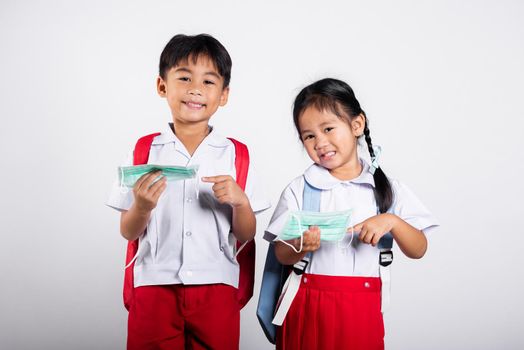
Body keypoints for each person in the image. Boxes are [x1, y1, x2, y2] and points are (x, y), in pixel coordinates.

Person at [107, 33, 270, 350]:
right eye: (184, 77)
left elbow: (246, 234)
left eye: (209, 82)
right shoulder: (143, 151)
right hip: (155, 284)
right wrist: (141, 206)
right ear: (162, 86)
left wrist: (240, 202)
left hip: (217, 286)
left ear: (224, 95)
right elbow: (128, 232)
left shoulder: (237, 155)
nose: (196, 89)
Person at [264, 78, 438, 349]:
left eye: (329, 128)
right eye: (309, 136)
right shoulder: (300, 189)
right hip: (305, 306)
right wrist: (300, 245)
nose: (320, 142)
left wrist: (391, 221)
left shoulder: (387, 190)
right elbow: (281, 253)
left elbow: (419, 249)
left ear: (357, 125)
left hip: (362, 310)